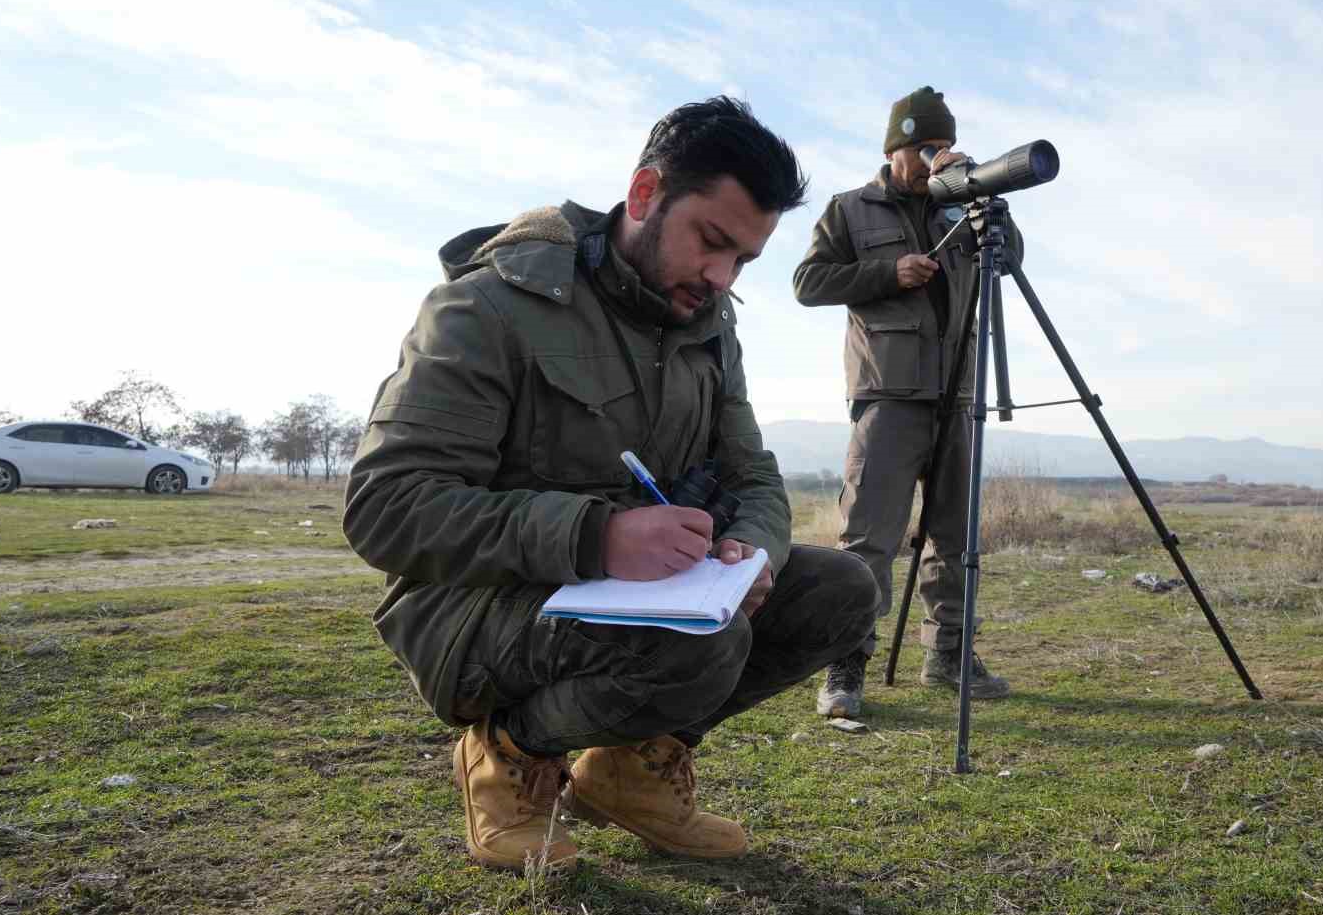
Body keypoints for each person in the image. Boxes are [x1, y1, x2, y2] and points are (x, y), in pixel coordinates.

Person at [344, 97, 879, 871]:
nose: (722, 277)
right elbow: (385, 510)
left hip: (633, 603)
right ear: (643, 195)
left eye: (744, 261)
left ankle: (627, 771)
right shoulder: (487, 305)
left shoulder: (707, 326)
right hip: (470, 610)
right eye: (712, 242)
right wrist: (596, 536)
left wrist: (753, 554)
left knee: (841, 590)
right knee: (699, 638)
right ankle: (506, 753)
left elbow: (754, 473)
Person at [793, 86, 1021, 720]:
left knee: (956, 535)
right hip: (887, 396)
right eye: (922, 148)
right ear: (893, 150)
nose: (932, 159)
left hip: (960, 392)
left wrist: (979, 194)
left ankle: (947, 654)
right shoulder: (849, 209)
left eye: (942, 147)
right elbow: (807, 283)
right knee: (867, 538)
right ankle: (847, 663)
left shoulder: (963, 201)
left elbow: (1012, 261)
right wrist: (886, 275)